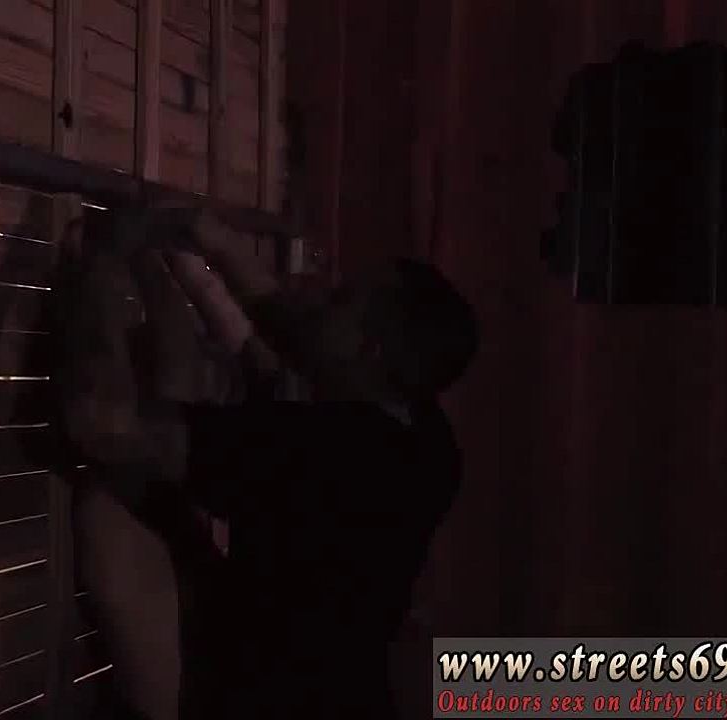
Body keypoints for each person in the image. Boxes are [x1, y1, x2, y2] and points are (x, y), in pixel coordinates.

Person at [59, 208, 478, 719]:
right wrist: (217, 243)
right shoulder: (426, 437)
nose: (318, 293)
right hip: (345, 696)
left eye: (340, 298)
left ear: (369, 349)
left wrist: (100, 263)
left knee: (116, 487)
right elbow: (310, 341)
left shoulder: (318, 454)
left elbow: (102, 422)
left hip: (261, 704)